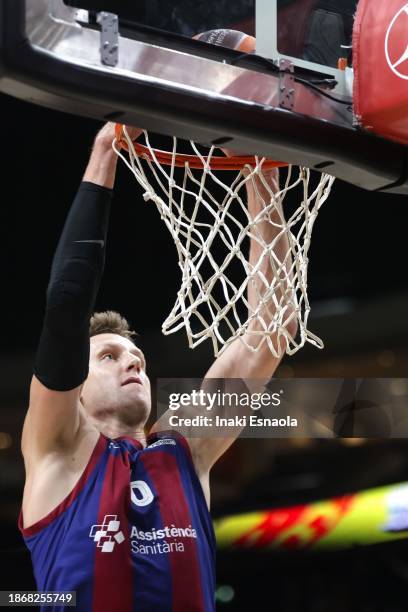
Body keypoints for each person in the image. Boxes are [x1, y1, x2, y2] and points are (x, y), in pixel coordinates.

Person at [19, 122, 295, 611]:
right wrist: (106, 151)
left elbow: (270, 331)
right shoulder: (57, 452)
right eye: (109, 356)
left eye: (137, 358)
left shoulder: (184, 447)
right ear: (75, 387)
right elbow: (66, 304)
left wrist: (263, 170)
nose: (132, 363)